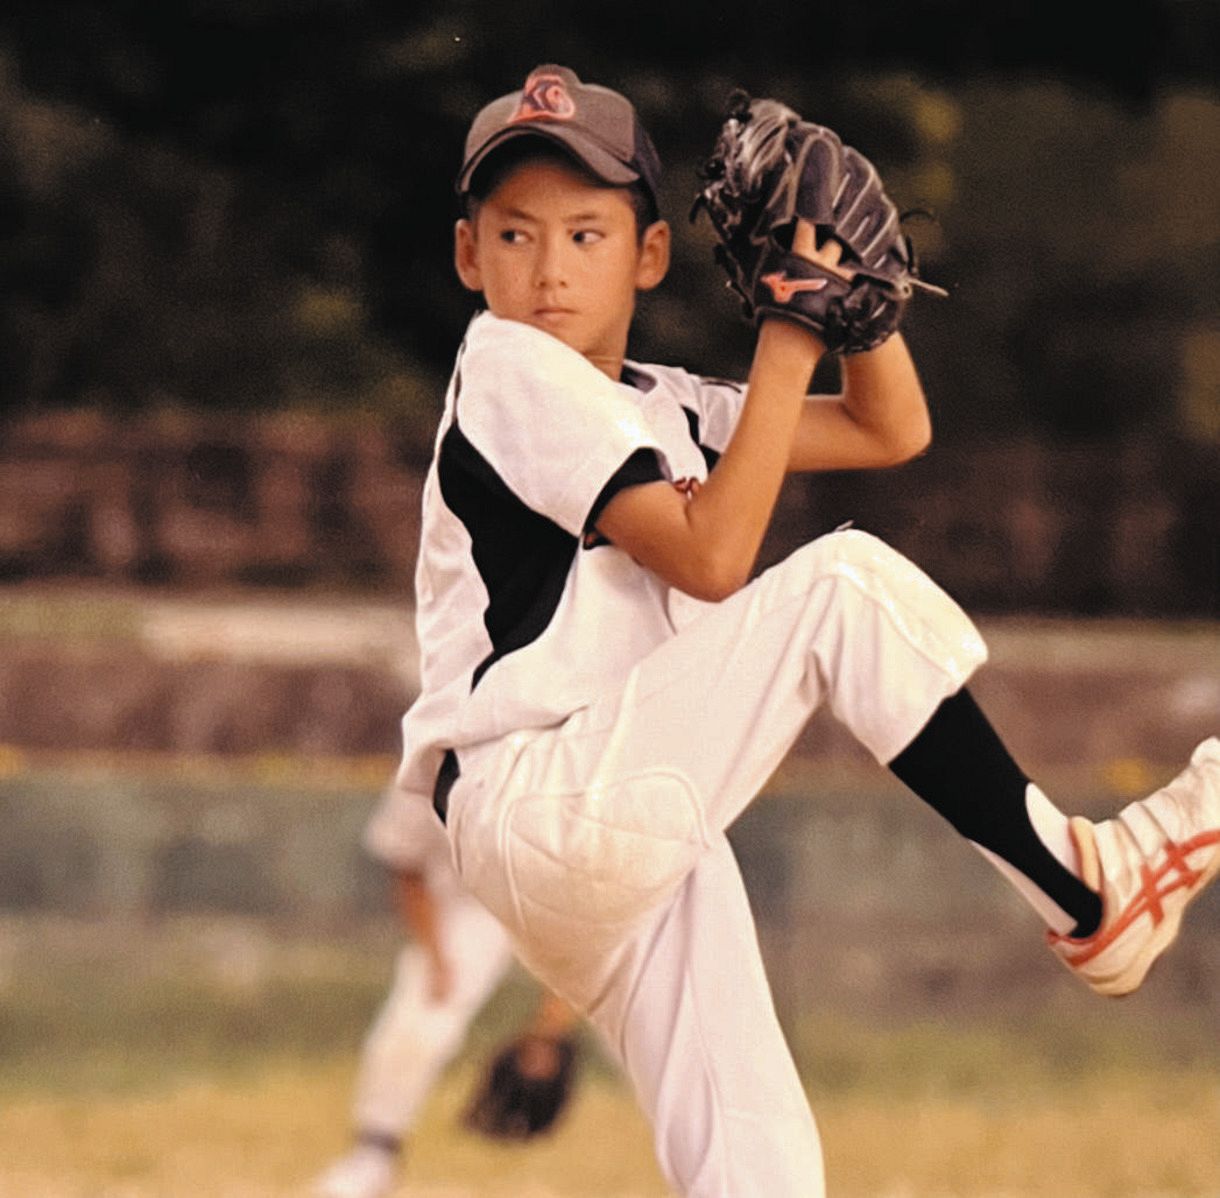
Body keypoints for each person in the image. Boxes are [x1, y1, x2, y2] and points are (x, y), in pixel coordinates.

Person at [388, 62, 1220, 1197]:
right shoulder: (506, 372)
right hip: (542, 792)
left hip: (620, 811)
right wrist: (790, 323)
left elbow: (891, 429)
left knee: (760, 1169)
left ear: (646, 257)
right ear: (466, 256)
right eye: (515, 234)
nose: (546, 270)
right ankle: (1088, 891)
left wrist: (854, 305)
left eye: (585, 234)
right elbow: (716, 557)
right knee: (835, 590)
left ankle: (1094, 896)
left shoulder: (663, 401)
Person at [312, 780, 580, 1198]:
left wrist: (554, 1017)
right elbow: (408, 867)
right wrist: (436, 959)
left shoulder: (557, 745)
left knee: (642, 1015)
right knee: (419, 1018)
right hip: (465, 906)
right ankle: (374, 1153)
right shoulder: (434, 748)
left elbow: (584, 887)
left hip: (563, 893)